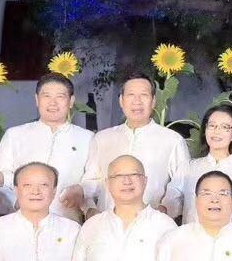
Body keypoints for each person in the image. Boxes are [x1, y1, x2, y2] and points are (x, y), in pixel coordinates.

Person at [80, 74, 190, 218]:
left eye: (144, 95)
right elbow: (90, 181)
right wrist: (90, 209)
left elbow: (182, 185)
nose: (137, 101)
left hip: (151, 224)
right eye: (131, 95)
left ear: (153, 101)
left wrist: (164, 209)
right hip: (106, 223)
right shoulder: (102, 138)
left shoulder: (172, 140)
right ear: (121, 101)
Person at [0, 72, 93, 221]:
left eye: (60, 97)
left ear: (71, 101)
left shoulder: (87, 138)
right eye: (46, 96)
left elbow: (94, 178)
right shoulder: (15, 135)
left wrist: (82, 190)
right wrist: (15, 201)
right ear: (37, 100)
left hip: (67, 222)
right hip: (19, 220)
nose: (53, 103)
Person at [182, 103, 232, 225]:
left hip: (229, 235)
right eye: (212, 125)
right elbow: (171, 201)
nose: (216, 131)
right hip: (191, 235)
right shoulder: (189, 167)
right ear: (205, 130)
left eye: (224, 127)